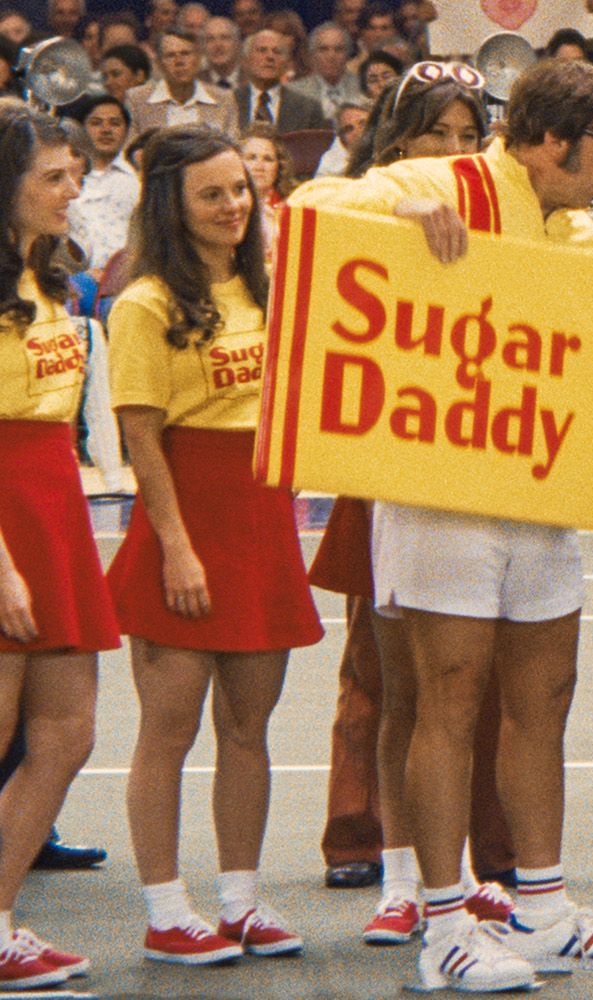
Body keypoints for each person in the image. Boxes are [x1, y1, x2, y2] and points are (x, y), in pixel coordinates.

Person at [287, 58, 593, 993]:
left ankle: (540, 907)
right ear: (544, 139)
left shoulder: (577, 225)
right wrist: (400, 217)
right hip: (437, 495)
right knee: (447, 699)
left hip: (539, 490)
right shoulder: (434, 180)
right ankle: (444, 922)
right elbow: (300, 213)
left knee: (546, 697)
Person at [304, 65, 517, 945]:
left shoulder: (503, 204)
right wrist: (398, 206)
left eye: (472, 136)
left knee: (473, 684)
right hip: (390, 465)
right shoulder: (370, 198)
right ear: (399, 144)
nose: (457, 153)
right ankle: (387, 861)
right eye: (440, 135)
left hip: (478, 461)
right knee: (384, 679)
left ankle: (470, 865)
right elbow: (305, 204)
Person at [107, 124, 323, 966]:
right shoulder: (144, 301)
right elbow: (140, 436)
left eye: (241, 189)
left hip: (262, 519)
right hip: (186, 522)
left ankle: (240, 900)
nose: (234, 206)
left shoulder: (269, 289)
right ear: (172, 202)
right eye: (212, 193)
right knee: (168, 729)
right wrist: (175, 546)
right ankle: (166, 911)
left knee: (249, 726)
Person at [0, 106, 112, 991]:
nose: (73, 192)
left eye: (76, 175)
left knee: (67, 733)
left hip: (54, 501)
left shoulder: (52, 282)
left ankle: (0, 920)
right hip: (5, 517)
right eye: (53, 179)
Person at [69, 95, 138, 278]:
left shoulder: (138, 181)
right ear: (82, 129)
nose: (106, 130)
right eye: (96, 123)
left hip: (125, 278)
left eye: (115, 123)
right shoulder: (67, 180)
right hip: (75, 278)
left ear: (127, 130)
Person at [127, 28, 238, 137]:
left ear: (198, 59)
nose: (179, 61)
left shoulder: (224, 100)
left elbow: (233, 148)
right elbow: (130, 151)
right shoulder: (137, 100)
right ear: (159, 64)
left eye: (185, 54)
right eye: (170, 55)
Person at [235, 28, 330, 133]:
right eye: (262, 50)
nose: (270, 57)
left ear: (287, 63)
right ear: (246, 60)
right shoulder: (229, 103)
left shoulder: (309, 109)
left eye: (277, 52)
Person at [297, 23, 364, 119]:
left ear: (348, 55)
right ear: (312, 55)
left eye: (338, 49)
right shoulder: (296, 93)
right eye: (323, 49)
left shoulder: (364, 89)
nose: (331, 56)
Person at [200, 16, 244, 92]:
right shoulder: (194, 83)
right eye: (210, 39)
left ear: (237, 44)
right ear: (203, 47)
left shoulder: (253, 81)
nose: (218, 45)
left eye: (224, 38)